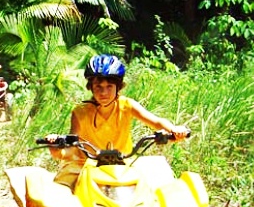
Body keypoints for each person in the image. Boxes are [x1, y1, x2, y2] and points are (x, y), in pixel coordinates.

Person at [47, 54, 190, 190]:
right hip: (85, 165)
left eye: (109, 86)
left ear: (118, 87)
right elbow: (72, 146)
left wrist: (174, 130)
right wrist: (56, 149)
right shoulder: (80, 112)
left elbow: (157, 122)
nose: (104, 92)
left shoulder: (127, 105)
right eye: (98, 87)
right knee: (60, 196)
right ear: (91, 87)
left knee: (158, 192)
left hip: (122, 165)